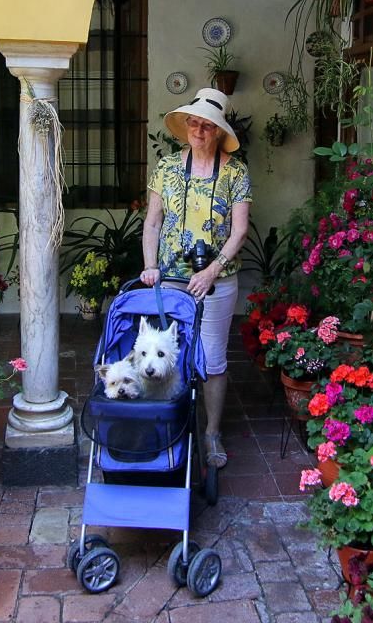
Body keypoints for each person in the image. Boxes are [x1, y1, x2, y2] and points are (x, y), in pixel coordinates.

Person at [141, 87, 251, 469]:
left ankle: (211, 433)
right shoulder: (168, 168)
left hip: (218, 279)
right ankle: (167, 421)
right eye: (193, 123)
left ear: (219, 131)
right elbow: (152, 222)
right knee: (165, 352)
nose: (199, 130)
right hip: (170, 277)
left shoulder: (235, 172)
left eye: (207, 125)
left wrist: (211, 270)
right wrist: (150, 264)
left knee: (214, 361)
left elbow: (239, 231)